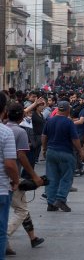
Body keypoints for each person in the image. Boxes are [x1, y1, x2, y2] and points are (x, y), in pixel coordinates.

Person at [6, 103, 44, 256]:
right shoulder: (20, 132)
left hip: (9, 175)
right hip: (11, 176)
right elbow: (21, 156)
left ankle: (32, 237)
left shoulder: (3, 128)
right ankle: (4, 236)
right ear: (22, 117)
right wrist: (34, 176)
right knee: (22, 210)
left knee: (21, 207)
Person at [42, 101, 84, 212]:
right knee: (67, 177)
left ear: (58, 109)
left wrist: (44, 149)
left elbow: (44, 136)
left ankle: (51, 203)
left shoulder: (49, 121)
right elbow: (75, 139)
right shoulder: (69, 123)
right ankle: (61, 199)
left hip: (51, 151)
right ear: (68, 110)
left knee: (51, 177)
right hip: (65, 153)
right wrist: (80, 151)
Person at [0, 92, 19, 260]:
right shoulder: (6, 133)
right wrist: (15, 180)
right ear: (3, 110)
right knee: (0, 232)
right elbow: (10, 164)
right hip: (1, 189)